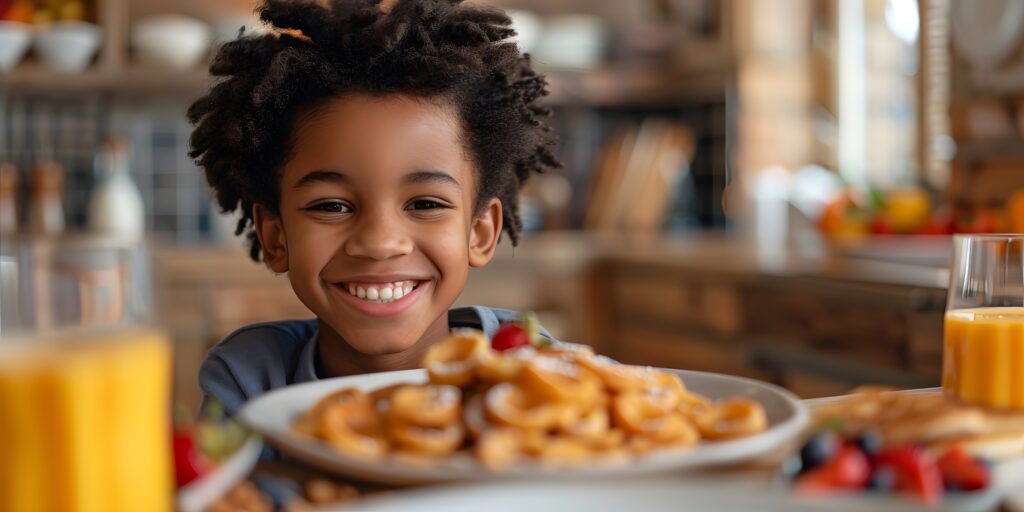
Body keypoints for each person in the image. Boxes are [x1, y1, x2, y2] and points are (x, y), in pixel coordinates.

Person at [188, 0, 561, 414]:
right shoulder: (250, 379)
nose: (380, 242)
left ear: (479, 232)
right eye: (331, 206)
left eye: (423, 203)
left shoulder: (543, 370)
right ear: (275, 236)